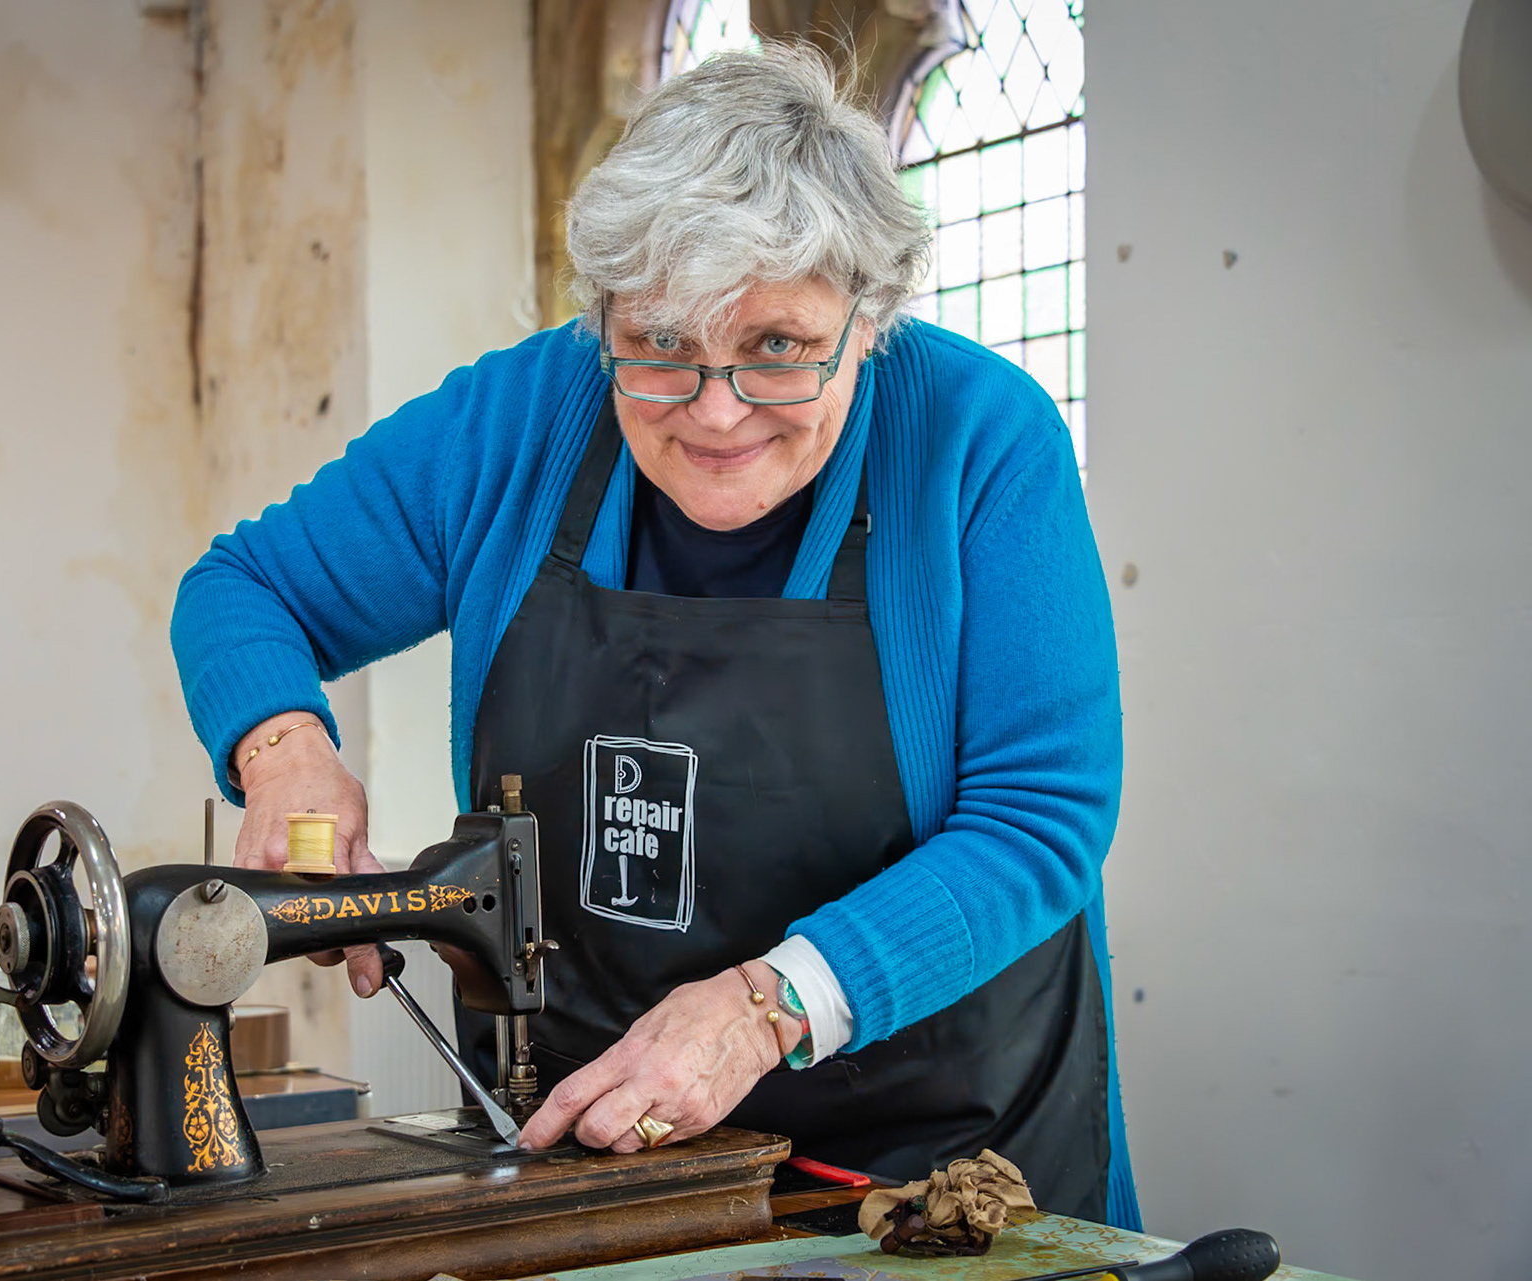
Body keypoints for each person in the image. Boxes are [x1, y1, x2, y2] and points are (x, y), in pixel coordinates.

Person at [171, 43, 1139, 1228]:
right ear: (605, 320)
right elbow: (244, 587)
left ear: (869, 321)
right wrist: (286, 758)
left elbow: (1044, 818)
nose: (716, 411)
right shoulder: (519, 419)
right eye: (663, 347)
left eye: (777, 348)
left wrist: (763, 1006)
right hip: (595, 1160)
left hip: (936, 1177)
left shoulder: (980, 442)